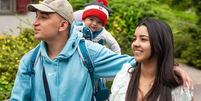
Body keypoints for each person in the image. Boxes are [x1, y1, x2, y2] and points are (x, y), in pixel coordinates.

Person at [10, 0, 193, 101]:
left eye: (43, 17)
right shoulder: (30, 60)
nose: (35, 22)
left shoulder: (89, 53)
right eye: (36, 17)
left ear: (63, 25)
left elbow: (135, 61)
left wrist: (171, 66)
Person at [110, 18, 194, 101]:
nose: (135, 44)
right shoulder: (124, 77)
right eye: (134, 39)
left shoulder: (178, 87)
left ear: (160, 44)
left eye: (143, 39)